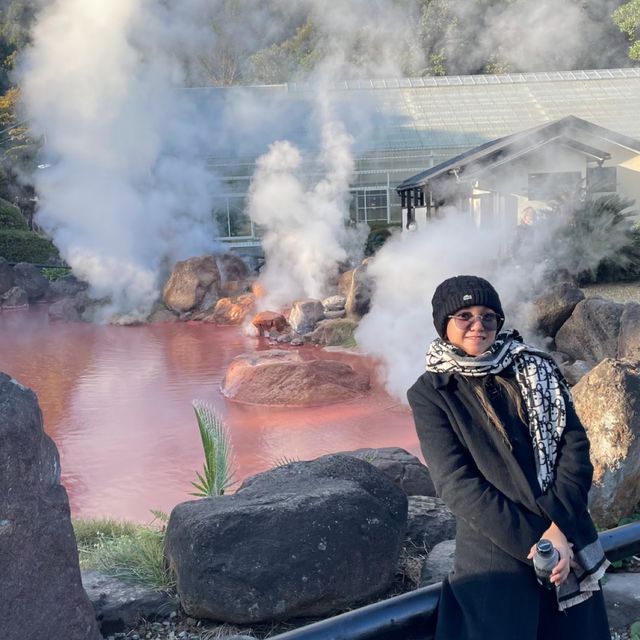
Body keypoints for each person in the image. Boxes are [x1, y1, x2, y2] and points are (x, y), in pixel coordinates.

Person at [407, 275, 610, 640]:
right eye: (464, 315)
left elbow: (575, 448)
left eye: (488, 315)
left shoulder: (536, 369)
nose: (478, 325)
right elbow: (456, 483)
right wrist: (540, 543)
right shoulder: (431, 392)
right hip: (497, 551)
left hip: (567, 536)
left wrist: (559, 529)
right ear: (444, 325)